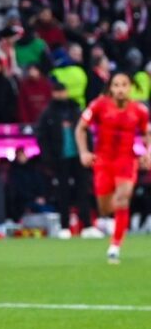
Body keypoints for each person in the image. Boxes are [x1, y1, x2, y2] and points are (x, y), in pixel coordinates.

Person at [75, 73, 151, 264]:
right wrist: (84, 152)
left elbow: (147, 133)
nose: (120, 89)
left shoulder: (140, 110)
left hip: (126, 160)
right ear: (110, 88)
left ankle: (115, 245)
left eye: (124, 85)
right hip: (103, 161)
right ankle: (109, 224)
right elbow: (80, 128)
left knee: (122, 198)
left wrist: (148, 153)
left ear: (130, 88)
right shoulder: (98, 105)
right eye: (116, 85)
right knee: (105, 207)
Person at [37, 80, 98, 239]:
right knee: (62, 193)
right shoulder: (48, 113)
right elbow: (41, 137)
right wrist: (48, 158)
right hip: (60, 158)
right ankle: (64, 227)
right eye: (58, 92)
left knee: (83, 191)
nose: (61, 95)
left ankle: (87, 226)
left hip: (79, 156)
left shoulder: (76, 109)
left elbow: (87, 132)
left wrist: (89, 152)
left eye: (63, 91)